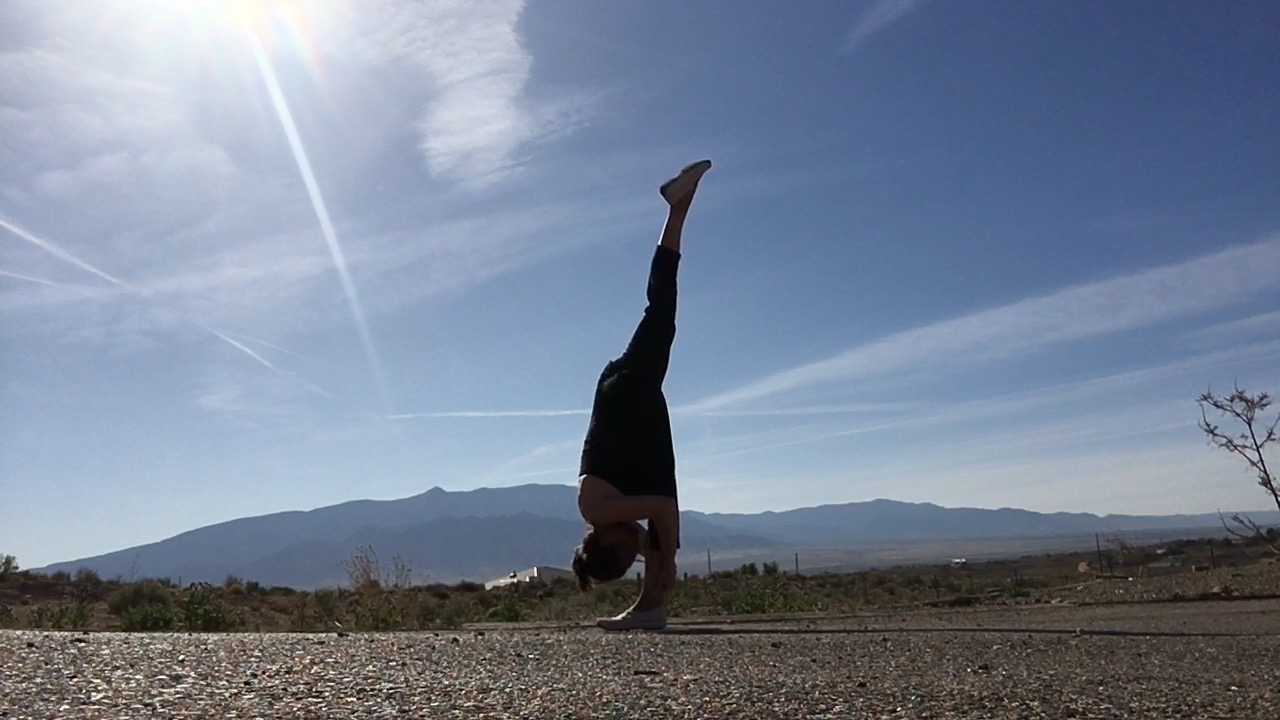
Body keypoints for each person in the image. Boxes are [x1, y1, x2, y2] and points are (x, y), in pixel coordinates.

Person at [572, 159, 712, 631]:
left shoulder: (597, 510)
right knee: (662, 311)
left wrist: (667, 560)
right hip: (626, 402)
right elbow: (660, 511)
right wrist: (665, 553)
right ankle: (650, 607)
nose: (635, 549)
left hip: (626, 396)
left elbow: (661, 510)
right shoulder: (602, 510)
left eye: (627, 554)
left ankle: (675, 210)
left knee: (661, 310)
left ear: (606, 541)